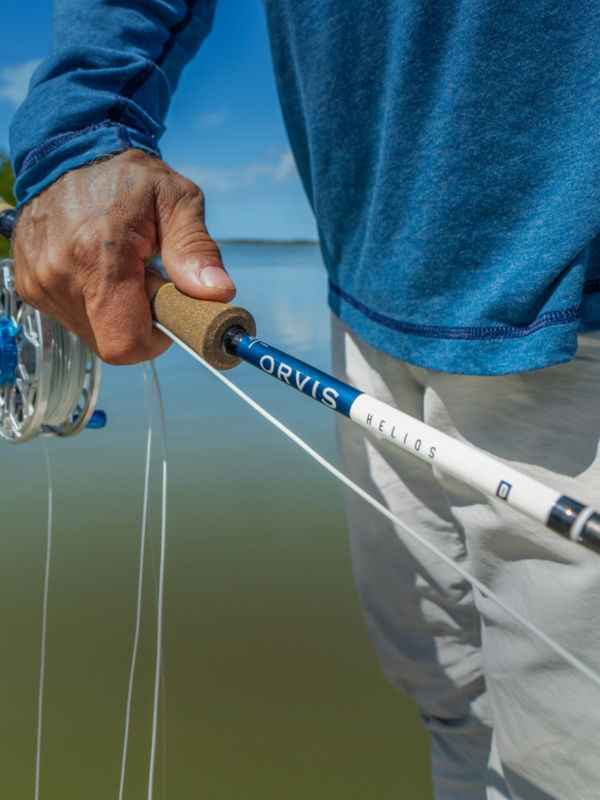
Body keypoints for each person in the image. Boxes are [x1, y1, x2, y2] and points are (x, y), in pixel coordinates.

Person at [9, 2, 600, 797]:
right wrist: (81, 129)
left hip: (574, 319)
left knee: (570, 762)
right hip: (366, 302)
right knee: (447, 700)